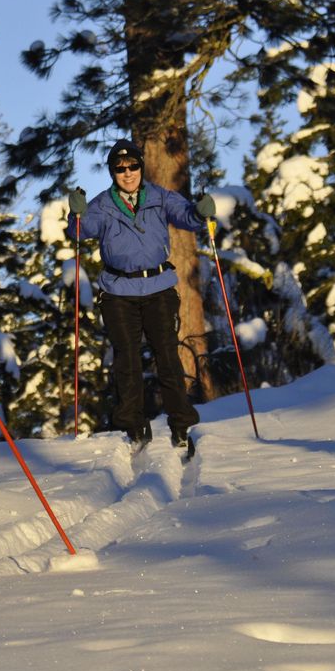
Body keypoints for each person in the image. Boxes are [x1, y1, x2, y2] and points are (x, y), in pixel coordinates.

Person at [67, 139, 217, 454]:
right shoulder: (102, 204)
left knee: (167, 356)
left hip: (158, 288)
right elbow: (82, 230)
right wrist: (75, 215)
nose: (127, 173)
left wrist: (202, 211)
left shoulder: (160, 197)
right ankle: (134, 427)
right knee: (127, 360)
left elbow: (187, 217)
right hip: (118, 291)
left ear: (141, 166)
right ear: (112, 172)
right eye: (120, 168)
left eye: (133, 166)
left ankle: (181, 424)